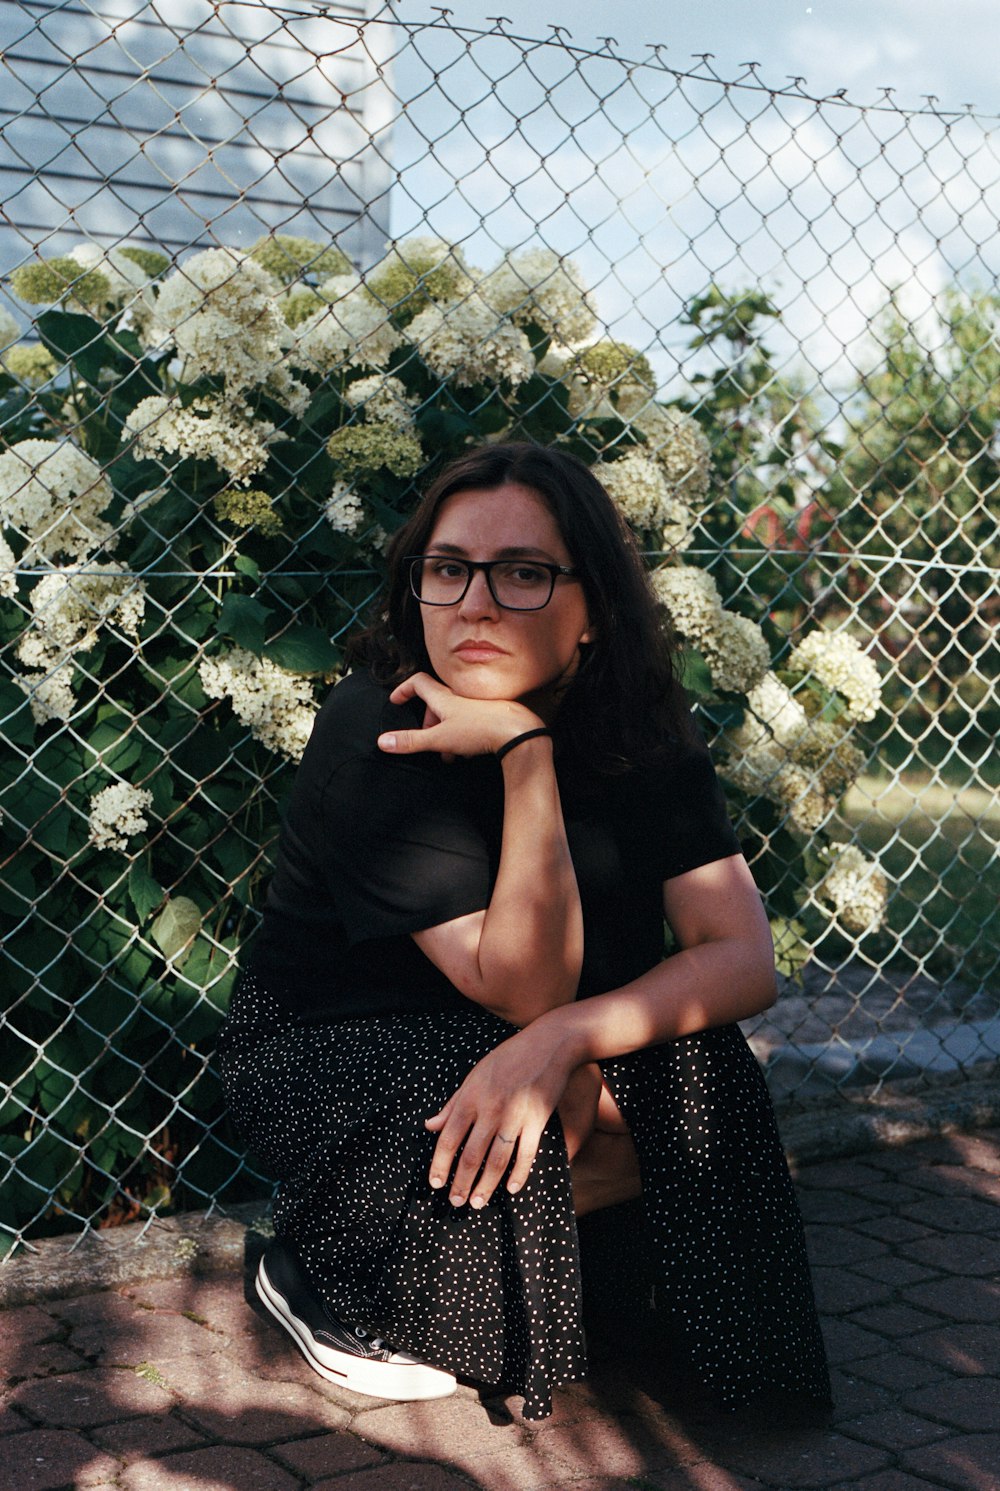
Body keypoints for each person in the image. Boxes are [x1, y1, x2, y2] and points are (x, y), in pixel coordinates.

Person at [218, 441, 831, 1421]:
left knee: (710, 1088)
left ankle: (497, 1251)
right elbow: (520, 985)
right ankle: (319, 1264)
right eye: (448, 569)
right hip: (344, 1046)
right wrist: (522, 751)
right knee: (550, 1132)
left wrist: (573, 1041)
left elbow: (740, 956)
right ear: (415, 588)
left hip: (538, 1037)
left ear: (590, 612)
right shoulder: (380, 725)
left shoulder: (640, 733)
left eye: (524, 574)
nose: (476, 602)